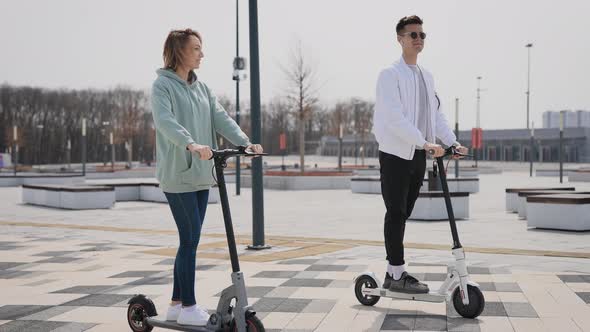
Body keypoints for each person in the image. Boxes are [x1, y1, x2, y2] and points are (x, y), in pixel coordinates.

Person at [151, 28, 263, 326]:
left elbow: (220, 117)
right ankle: (189, 307)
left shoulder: (202, 88)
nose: (202, 54)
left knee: (189, 240)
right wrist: (190, 143)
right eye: (196, 48)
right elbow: (165, 121)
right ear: (180, 51)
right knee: (189, 240)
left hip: (202, 173)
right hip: (178, 174)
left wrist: (244, 143)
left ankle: (176, 304)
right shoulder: (162, 87)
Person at [372, 16, 468, 293]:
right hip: (395, 153)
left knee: (405, 213)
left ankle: (393, 272)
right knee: (396, 211)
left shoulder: (427, 76)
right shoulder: (389, 74)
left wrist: (452, 143)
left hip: (418, 155)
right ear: (400, 39)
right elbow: (393, 117)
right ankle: (397, 273)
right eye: (412, 34)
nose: (418, 39)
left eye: (422, 35)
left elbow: (436, 115)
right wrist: (425, 142)